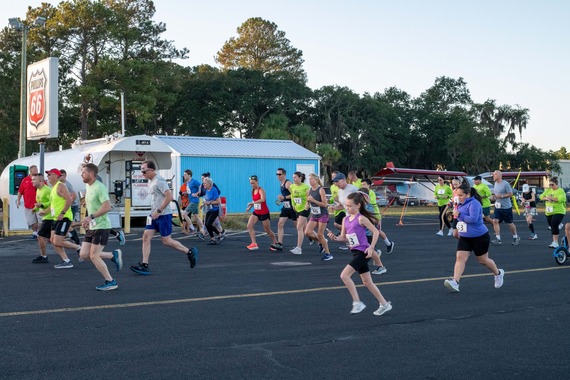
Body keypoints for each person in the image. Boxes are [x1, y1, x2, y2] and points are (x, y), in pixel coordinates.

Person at [327, 192, 392, 316]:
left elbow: (375, 232)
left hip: (363, 252)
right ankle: (384, 304)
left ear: (358, 205)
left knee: (344, 275)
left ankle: (357, 302)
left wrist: (371, 248)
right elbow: (343, 237)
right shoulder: (345, 219)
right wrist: (334, 238)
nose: (347, 208)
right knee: (367, 282)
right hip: (355, 252)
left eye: (350, 206)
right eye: (346, 206)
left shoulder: (361, 218)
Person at [130, 160, 198, 275]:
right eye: (141, 171)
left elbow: (169, 196)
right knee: (146, 237)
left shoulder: (159, 181)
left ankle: (189, 252)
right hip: (153, 215)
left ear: (151, 170)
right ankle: (145, 265)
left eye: (144, 171)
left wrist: (159, 210)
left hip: (163, 215)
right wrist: (154, 212)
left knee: (166, 241)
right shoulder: (151, 181)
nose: (143, 174)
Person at [443, 181, 505, 293]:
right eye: (457, 195)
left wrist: (459, 215)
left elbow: (473, 219)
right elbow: (457, 217)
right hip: (465, 237)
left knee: (483, 260)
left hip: (480, 237)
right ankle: (455, 282)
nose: (459, 197)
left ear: (468, 194)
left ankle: (498, 273)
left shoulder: (474, 204)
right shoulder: (460, 203)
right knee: (460, 258)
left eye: (461, 195)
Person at [78, 163, 123, 291]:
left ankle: (111, 281)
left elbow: (107, 206)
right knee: (84, 254)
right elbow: (91, 206)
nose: (82, 174)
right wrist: (87, 219)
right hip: (92, 226)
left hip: (102, 226)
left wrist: (90, 217)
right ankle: (112, 255)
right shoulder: (88, 186)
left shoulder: (100, 187)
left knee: (94, 256)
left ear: (92, 174)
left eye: (84, 172)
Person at [46, 168, 81, 269]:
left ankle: (78, 247)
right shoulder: (53, 188)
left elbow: (69, 199)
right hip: (56, 218)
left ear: (56, 176)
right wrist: (45, 211)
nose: (48, 176)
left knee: (57, 241)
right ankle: (66, 260)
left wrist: (62, 213)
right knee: (52, 240)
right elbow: (55, 204)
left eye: (50, 174)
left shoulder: (61, 185)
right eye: (47, 174)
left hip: (64, 217)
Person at [361, 179, 395, 255]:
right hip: (368, 214)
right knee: (373, 230)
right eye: (362, 184)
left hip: (374, 215)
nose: (362, 186)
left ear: (369, 185)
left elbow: (370, 203)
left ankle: (384, 245)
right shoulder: (362, 193)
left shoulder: (371, 193)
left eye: (364, 184)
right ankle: (386, 245)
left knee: (376, 230)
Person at [245, 175, 278, 250]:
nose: (252, 185)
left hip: (264, 212)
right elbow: (254, 201)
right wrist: (249, 207)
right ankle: (254, 243)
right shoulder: (252, 191)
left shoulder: (261, 190)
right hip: (256, 212)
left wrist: (252, 203)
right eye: (251, 183)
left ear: (257, 182)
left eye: (253, 183)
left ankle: (275, 243)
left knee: (267, 229)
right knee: (249, 226)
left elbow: (262, 200)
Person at [304, 173, 333, 260]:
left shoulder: (321, 190)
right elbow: (308, 201)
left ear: (316, 180)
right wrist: (307, 205)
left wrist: (314, 200)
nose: (310, 181)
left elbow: (324, 204)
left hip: (322, 214)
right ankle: (321, 243)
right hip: (314, 214)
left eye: (312, 179)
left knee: (320, 234)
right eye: (309, 180)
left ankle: (328, 254)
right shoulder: (309, 190)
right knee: (307, 232)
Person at [490, 170, 520, 245]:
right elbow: (496, 194)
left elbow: (510, 194)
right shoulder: (495, 184)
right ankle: (498, 238)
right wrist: (493, 197)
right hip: (498, 206)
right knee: (495, 221)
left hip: (506, 207)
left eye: (495, 175)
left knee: (509, 223)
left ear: (499, 176)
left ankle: (515, 236)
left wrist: (501, 196)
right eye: (493, 175)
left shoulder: (505, 184)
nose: (493, 176)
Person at [331, 172, 358, 250]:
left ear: (343, 180)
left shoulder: (353, 189)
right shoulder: (340, 191)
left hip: (357, 217)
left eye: (337, 182)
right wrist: (335, 207)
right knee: (352, 238)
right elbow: (342, 206)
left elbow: (363, 201)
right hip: (348, 217)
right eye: (334, 182)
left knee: (356, 237)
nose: (336, 184)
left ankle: (371, 251)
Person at [539, 177, 566, 248]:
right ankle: (554, 241)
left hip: (558, 211)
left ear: (556, 184)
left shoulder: (560, 191)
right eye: (550, 185)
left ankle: (556, 242)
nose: (551, 186)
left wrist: (552, 198)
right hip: (549, 212)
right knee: (552, 226)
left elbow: (561, 199)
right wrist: (546, 198)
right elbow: (541, 196)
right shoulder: (548, 190)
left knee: (554, 224)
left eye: (552, 185)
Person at [31, 173, 52, 263]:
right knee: (52, 240)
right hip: (45, 217)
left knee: (40, 236)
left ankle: (44, 256)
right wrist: (35, 209)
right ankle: (77, 247)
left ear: (40, 181)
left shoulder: (47, 190)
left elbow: (53, 203)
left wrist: (42, 205)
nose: (32, 181)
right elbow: (39, 202)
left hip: (50, 217)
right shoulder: (38, 190)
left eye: (34, 180)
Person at [274, 168, 296, 251]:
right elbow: (284, 197)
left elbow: (294, 194)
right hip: (286, 207)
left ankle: (316, 239)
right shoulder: (281, 183)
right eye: (277, 174)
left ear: (284, 175)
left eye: (279, 174)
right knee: (280, 224)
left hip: (292, 207)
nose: (278, 176)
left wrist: (284, 197)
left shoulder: (288, 183)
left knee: (299, 227)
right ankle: (279, 243)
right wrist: (280, 200)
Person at [288, 171, 310, 255]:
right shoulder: (292, 186)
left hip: (305, 209)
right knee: (306, 229)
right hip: (297, 208)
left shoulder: (306, 187)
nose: (293, 179)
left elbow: (309, 197)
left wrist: (307, 205)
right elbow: (292, 196)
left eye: (295, 177)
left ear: (300, 178)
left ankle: (299, 248)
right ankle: (321, 241)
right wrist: (293, 205)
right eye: (293, 177)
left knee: (299, 227)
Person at [179, 169, 205, 239]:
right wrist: (184, 193)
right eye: (184, 174)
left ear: (189, 175)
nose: (184, 176)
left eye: (185, 174)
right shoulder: (188, 183)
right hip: (191, 201)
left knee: (184, 214)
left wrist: (197, 193)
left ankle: (192, 229)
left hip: (194, 201)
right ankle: (203, 230)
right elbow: (189, 191)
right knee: (196, 217)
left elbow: (201, 186)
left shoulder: (194, 181)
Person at [16, 164, 39, 239]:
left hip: (38, 204)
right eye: (35, 169)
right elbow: (20, 191)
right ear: (30, 170)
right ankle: (35, 233)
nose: (36, 171)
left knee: (40, 220)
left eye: (37, 169)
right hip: (28, 204)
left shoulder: (40, 179)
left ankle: (39, 234)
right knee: (32, 221)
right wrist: (18, 200)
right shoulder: (25, 180)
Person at [59, 169, 81, 245]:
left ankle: (73, 235)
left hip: (72, 206)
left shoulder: (67, 185)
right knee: (68, 223)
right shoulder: (60, 184)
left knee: (69, 223)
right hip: (68, 207)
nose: (59, 176)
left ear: (64, 176)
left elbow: (74, 196)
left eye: (60, 175)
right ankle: (71, 235)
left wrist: (68, 204)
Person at [202, 177, 223, 245]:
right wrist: (203, 204)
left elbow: (218, 201)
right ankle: (213, 238)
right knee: (206, 224)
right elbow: (207, 200)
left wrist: (209, 203)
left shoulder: (214, 190)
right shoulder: (207, 190)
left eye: (205, 183)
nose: (203, 184)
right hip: (209, 209)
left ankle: (218, 234)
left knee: (208, 224)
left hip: (215, 209)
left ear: (209, 183)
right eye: (203, 183)